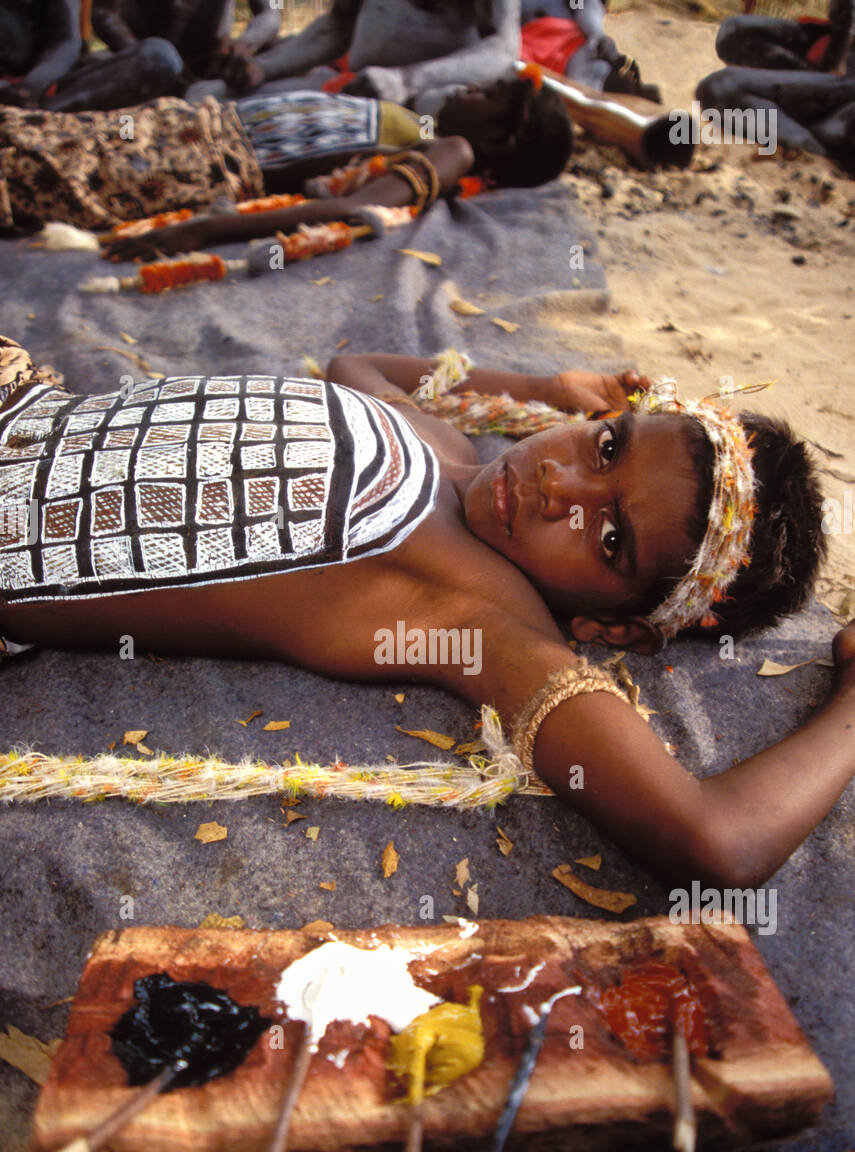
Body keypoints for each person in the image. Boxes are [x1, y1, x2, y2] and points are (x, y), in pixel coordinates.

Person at [0, 334, 845, 894]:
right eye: (607, 446)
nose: (561, 489)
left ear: (614, 627)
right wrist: (534, 387)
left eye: (610, 536)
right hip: (22, 407)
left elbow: (717, 843)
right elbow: (356, 368)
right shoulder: (451, 454)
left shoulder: (480, 620)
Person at [0, 75, 573, 237]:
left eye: (487, 96)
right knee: (28, 143)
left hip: (199, 160)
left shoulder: (456, 149)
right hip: (189, 134)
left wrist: (207, 229)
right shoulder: (412, 133)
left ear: (498, 141)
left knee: (29, 165)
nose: (465, 91)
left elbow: (359, 212)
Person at [242, 0, 522, 109]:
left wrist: (405, 82)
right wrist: (265, 67)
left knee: (435, 110)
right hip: (356, 87)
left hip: (429, 95)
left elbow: (504, 48)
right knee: (208, 94)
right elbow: (338, 26)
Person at [698, 0, 855, 164]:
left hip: (845, 83)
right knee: (734, 32)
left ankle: (811, 151)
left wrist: (832, 69)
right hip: (836, 60)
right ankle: (803, 109)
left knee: (721, 88)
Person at [0, 0, 185, 112]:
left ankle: (44, 114)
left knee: (159, 56)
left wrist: (29, 88)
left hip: (49, 87)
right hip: (6, 90)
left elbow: (66, 42)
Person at [91, 0, 282, 95]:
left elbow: (272, 13)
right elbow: (102, 12)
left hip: (215, 66)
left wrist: (244, 44)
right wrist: (144, 56)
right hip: (144, 70)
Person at [520, 0, 661, 101]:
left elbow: (583, 6)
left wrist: (597, 35)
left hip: (574, 51)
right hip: (524, 54)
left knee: (613, 87)